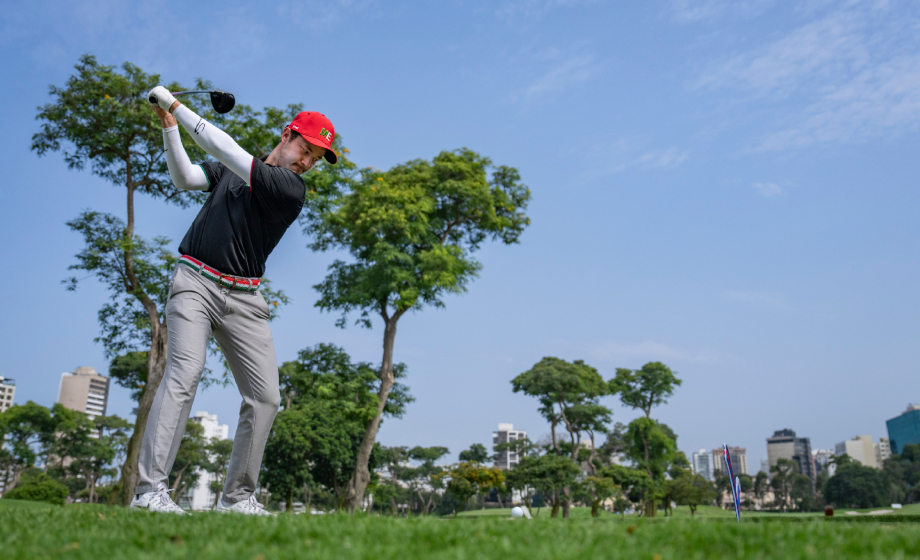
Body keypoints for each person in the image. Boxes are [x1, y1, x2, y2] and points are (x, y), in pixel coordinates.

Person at [130, 86, 337, 514]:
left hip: (245, 300)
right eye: (307, 148)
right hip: (195, 283)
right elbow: (185, 178)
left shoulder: (289, 190)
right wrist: (171, 127)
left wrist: (174, 104)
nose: (307, 161)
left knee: (265, 398)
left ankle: (237, 498)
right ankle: (149, 493)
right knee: (185, 374)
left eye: (316, 158)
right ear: (287, 135)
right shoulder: (232, 171)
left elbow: (223, 148)